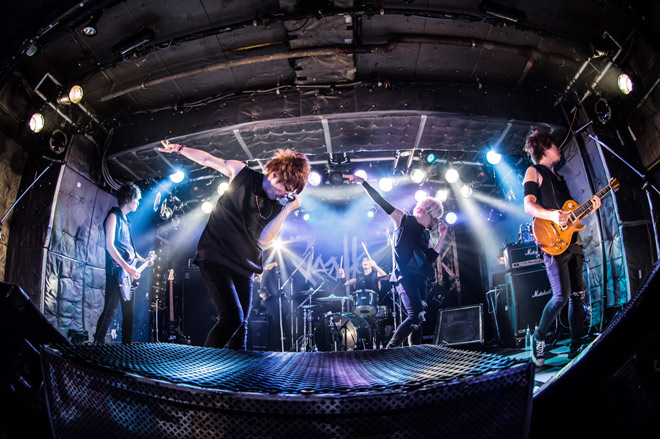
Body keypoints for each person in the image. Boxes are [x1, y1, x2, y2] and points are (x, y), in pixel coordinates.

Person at [159, 140, 310, 349]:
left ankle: (239, 369)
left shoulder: (275, 208)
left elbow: (263, 240)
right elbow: (207, 159)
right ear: (274, 175)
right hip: (216, 255)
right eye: (286, 188)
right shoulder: (242, 173)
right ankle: (205, 366)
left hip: (245, 265)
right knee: (232, 318)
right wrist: (180, 149)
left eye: (290, 192)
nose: (286, 195)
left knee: (241, 325)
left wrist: (287, 209)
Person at [522, 130, 600, 366]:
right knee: (560, 297)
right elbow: (529, 206)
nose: (559, 149)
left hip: (572, 242)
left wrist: (590, 209)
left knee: (578, 296)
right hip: (551, 242)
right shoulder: (534, 171)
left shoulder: (560, 178)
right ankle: (539, 336)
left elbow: (570, 217)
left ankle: (576, 347)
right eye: (555, 145)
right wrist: (552, 216)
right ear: (544, 147)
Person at [343, 173, 448, 348]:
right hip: (405, 277)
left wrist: (442, 236)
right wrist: (363, 182)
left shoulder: (426, 235)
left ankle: (415, 352)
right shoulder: (403, 219)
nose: (435, 223)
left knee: (419, 319)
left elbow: (430, 257)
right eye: (434, 218)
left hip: (421, 280)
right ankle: (390, 349)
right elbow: (381, 201)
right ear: (426, 212)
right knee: (414, 315)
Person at [94, 183, 154, 345]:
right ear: (127, 199)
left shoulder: (126, 221)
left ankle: (127, 347)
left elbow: (129, 250)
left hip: (127, 274)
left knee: (129, 313)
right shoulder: (113, 216)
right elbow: (110, 246)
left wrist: (144, 260)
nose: (138, 203)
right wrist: (128, 267)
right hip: (117, 272)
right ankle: (97, 343)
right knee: (110, 310)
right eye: (136, 200)